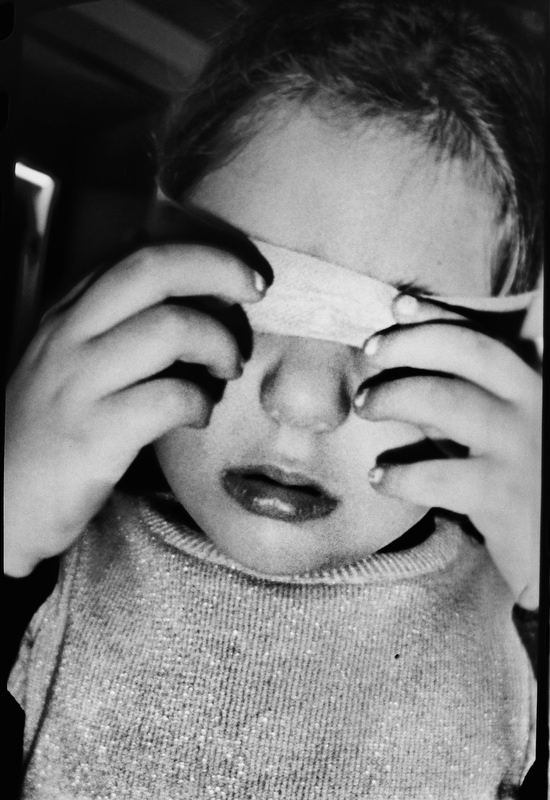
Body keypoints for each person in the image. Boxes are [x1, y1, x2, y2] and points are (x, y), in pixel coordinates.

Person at [5, 0, 543, 797]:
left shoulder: (520, 649)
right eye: (253, 299)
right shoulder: (41, 576)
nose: (303, 402)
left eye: (401, 335)